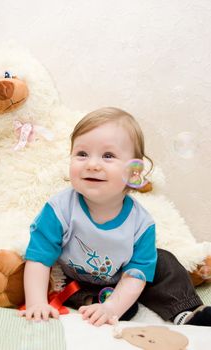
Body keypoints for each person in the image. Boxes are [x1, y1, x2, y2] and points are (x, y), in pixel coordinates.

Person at [19, 107, 211, 327]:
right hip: (77, 279)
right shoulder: (59, 209)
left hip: (125, 278)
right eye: (82, 154)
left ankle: (185, 310)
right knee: (60, 282)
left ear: (133, 172)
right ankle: (98, 305)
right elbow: (39, 257)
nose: (92, 164)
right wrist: (36, 302)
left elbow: (137, 274)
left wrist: (113, 306)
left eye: (108, 156)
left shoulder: (141, 223)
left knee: (164, 261)